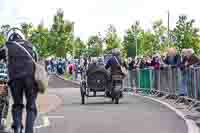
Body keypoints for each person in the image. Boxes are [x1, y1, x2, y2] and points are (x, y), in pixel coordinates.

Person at [0, 28, 38, 133]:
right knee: (31, 106)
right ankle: (29, 131)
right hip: (30, 79)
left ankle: (17, 128)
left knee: (17, 104)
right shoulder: (31, 45)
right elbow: (36, 59)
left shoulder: (6, 46)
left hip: (15, 79)